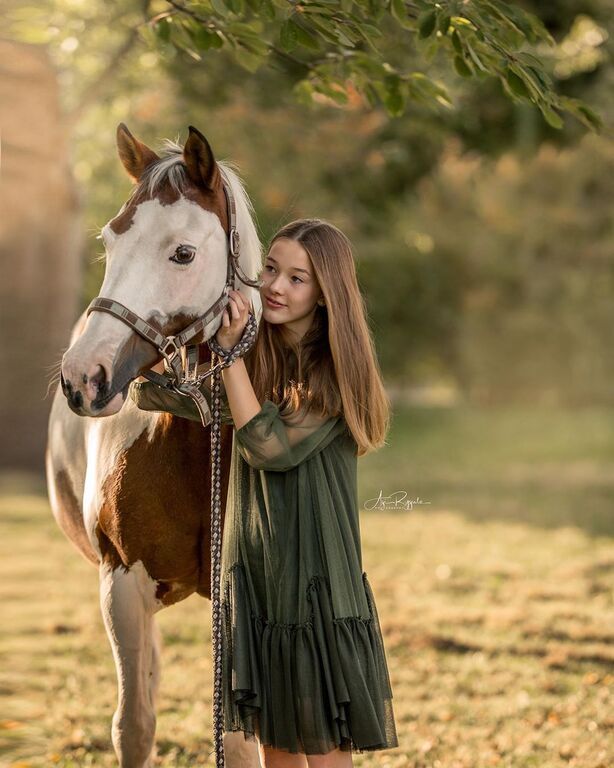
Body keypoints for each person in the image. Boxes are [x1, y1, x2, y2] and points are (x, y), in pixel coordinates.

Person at [129, 218, 398, 767]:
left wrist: (230, 359)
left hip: (314, 579)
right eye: (271, 269)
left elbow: (267, 447)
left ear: (326, 295)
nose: (276, 286)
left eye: (298, 278)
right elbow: (164, 397)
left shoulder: (332, 372)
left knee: (322, 751)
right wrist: (156, 336)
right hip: (259, 575)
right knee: (275, 750)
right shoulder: (260, 359)